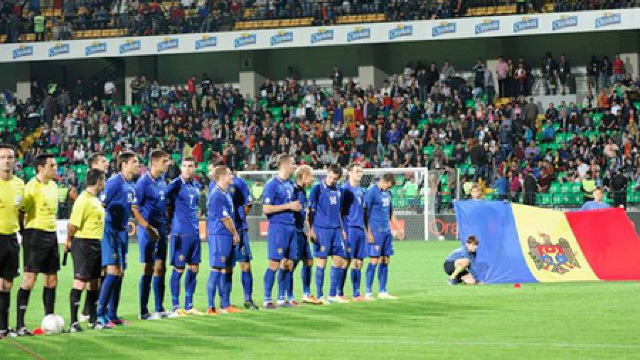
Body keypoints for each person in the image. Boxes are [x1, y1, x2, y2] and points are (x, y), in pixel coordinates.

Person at [15, 154, 59, 336]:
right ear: (41, 168)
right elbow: (21, 212)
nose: (56, 168)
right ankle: (20, 324)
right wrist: (26, 233)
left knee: (51, 279)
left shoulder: (54, 186)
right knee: (29, 279)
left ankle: (49, 319)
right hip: (34, 235)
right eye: (52, 165)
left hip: (51, 234)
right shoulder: (31, 188)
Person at [96, 151, 138, 329]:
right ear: (124, 164)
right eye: (134, 162)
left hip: (122, 232)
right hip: (110, 230)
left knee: (120, 272)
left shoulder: (131, 185)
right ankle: (100, 315)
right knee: (112, 271)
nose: (137, 165)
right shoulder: (114, 182)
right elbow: (101, 204)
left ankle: (112, 314)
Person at [66, 169, 106, 332]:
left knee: (94, 283)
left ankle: (93, 319)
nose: (104, 183)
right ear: (98, 182)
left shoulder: (94, 199)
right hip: (83, 243)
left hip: (95, 243)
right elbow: (72, 225)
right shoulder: (83, 200)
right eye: (103, 180)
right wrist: (69, 241)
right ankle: (74, 322)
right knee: (80, 281)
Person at [132, 150, 169, 320]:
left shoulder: (162, 182)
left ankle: (159, 308)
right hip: (148, 232)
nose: (167, 164)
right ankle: (143, 310)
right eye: (164, 161)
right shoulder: (142, 183)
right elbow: (135, 209)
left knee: (161, 267)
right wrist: (147, 227)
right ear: (154, 163)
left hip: (161, 230)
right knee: (148, 267)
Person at [261, 154, 300, 309]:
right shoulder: (272, 184)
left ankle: (282, 299)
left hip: (291, 227)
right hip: (278, 228)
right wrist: (288, 206)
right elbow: (266, 209)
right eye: (292, 163)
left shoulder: (290, 184)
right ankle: (267, 299)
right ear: (284, 165)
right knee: (274, 263)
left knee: (288, 263)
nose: (295, 166)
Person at [166, 157, 202, 316]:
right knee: (178, 269)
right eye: (185, 166)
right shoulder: (175, 184)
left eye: (191, 166)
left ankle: (189, 305)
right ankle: (175, 306)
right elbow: (164, 201)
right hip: (180, 233)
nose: (188, 169)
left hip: (194, 232)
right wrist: (168, 226)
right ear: (181, 168)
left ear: (195, 168)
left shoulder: (196, 186)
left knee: (194, 268)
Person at [206, 166, 242, 314]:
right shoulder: (216, 194)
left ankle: (225, 304)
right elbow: (225, 218)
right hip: (219, 235)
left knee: (226, 269)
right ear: (221, 176)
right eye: (229, 174)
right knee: (216, 268)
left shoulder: (225, 193)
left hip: (226, 235)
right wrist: (235, 233)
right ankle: (211, 306)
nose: (232, 176)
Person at [78, 152, 109, 323]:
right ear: (94, 164)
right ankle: (88, 310)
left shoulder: (105, 184)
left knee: (100, 273)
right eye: (103, 161)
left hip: (103, 233)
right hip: (91, 236)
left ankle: (92, 309)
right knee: (89, 274)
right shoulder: (90, 190)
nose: (107, 163)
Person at [308, 165, 345, 304]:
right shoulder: (317, 188)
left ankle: (332, 294)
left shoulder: (339, 189)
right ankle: (320, 295)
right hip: (321, 229)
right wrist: (311, 230)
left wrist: (342, 229)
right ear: (327, 173)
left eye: (335, 178)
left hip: (336, 229)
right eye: (330, 177)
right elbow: (310, 210)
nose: (331, 180)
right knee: (321, 261)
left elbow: (340, 211)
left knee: (338, 260)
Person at [364, 173, 404, 300]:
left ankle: (383, 291)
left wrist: (398, 228)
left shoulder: (388, 193)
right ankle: (368, 292)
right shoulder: (371, 192)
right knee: (374, 260)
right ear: (384, 181)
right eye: (388, 185)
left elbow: (391, 213)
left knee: (385, 259)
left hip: (386, 231)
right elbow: (365, 213)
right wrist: (368, 232)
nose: (388, 188)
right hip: (375, 231)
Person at [0, 144, 24, 338]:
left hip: (12, 238)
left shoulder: (19, 184)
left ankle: (4, 327)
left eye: (9, 157)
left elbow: (21, 211)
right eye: (2, 157)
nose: (6, 161)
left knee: (7, 284)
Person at [290, 165, 321, 305]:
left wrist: (309, 230)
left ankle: (306, 294)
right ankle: (288, 296)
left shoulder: (303, 191)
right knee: (291, 264)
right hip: (294, 232)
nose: (313, 178)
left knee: (308, 260)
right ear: (303, 176)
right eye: (311, 175)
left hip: (302, 231)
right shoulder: (293, 190)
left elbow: (304, 213)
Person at [229, 173, 259, 310]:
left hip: (240, 229)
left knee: (246, 265)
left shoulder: (238, 183)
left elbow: (248, 202)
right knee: (227, 268)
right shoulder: (214, 185)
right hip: (224, 232)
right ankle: (225, 303)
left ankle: (248, 299)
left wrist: (241, 217)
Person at [341, 163, 368, 301]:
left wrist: (367, 230)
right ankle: (339, 292)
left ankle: (356, 293)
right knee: (345, 261)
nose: (360, 173)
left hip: (360, 230)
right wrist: (342, 230)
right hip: (349, 229)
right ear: (349, 172)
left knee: (359, 262)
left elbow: (364, 213)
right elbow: (339, 212)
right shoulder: (345, 190)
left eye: (361, 171)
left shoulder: (362, 191)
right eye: (357, 171)